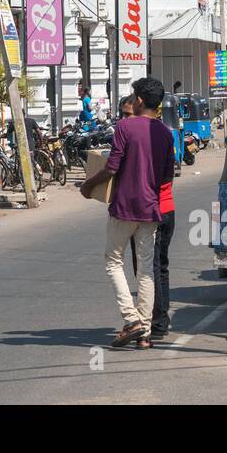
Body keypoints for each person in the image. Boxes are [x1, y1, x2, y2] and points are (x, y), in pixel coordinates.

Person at [80, 76, 172, 349]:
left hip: (124, 206)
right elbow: (167, 175)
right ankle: (143, 332)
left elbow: (112, 167)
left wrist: (88, 184)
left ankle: (131, 319)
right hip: (150, 208)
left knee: (113, 260)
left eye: (133, 96)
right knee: (146, 270)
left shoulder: (125, 126)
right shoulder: (165, 133)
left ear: (140, 100)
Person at [138, 97, 178, 336]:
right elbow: (168, 175)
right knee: (160, 266)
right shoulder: (165, 134)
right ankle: (160, 319)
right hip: (167, 207)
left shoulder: (146, 137)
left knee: (151, 267)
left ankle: (157, 321)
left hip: (152, 209)